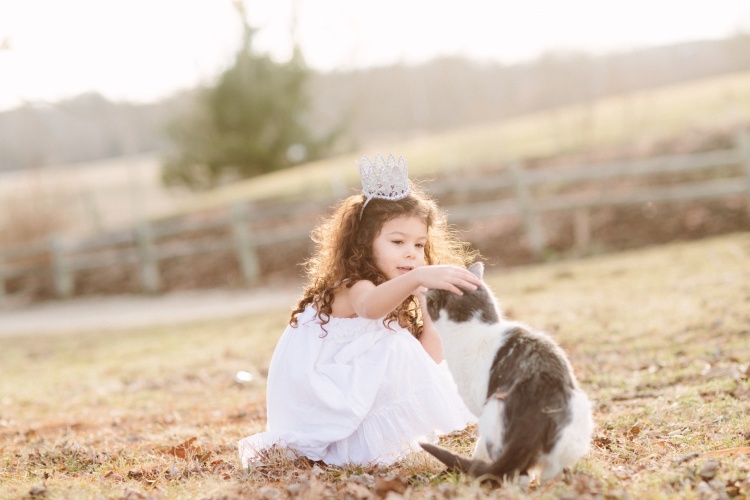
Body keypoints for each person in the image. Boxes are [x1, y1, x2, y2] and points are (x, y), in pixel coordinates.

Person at [238, 154, 482, 468]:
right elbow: (368, 308)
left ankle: (368, 445)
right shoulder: (354, 286)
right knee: (394, 345)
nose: (411, 252)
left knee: (402, 346)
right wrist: (418, 276)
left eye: (420, 245)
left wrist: (431, 305)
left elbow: (426, 361)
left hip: (347, 389)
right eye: (397, 241)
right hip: (317, 394)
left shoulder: (396, 289)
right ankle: (338, 449)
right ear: (365, 243)